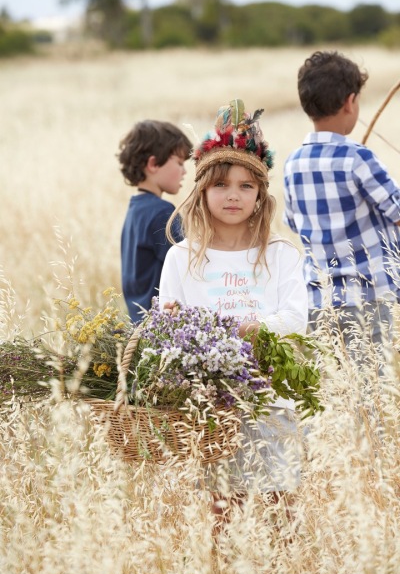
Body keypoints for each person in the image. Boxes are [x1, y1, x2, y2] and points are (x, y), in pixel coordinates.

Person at [158, 99, 308, 515]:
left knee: (281, 508)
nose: (233, 196)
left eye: (246, 186)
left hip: (274, 399)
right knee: (224, 511)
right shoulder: (182, 258)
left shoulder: (279, 254)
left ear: (260, 194)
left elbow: (296, 318)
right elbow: (168, 326)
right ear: (202, 191)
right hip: (212, 406)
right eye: (221, 185)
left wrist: (241, 329)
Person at [283, 50, 400, 347]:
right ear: (350, 101)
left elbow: (294, 224)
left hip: (319, 302)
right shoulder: (358, 158)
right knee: (375, 374)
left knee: (335, 372)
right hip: (371, 299)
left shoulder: (293, 163)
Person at [118, 120, 192, 323]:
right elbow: (189, 268)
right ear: (153, 164)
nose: (184, 171)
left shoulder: (136, 209)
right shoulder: (162, 213)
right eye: (179, 163)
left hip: (139, 323)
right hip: (162, 326)